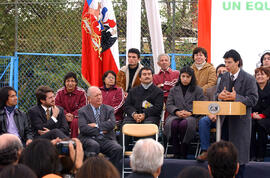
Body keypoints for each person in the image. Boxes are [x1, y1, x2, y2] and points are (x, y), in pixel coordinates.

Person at [217, 49, 258, 178]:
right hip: (224, 120)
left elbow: (253, 99)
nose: (227, 65)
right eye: (225, 62)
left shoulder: (249, 78)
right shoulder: (223, 77)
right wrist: (220, 95)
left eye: (229, 62)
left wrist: (237, 97)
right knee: (223, 155)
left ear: (237, 62)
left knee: (238, 157)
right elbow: (216, 94)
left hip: (240, 122)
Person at [164, 66, 205, 159]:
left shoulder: (198, 90)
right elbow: (169, 104)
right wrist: (177, 111)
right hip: (175, 115)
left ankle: (183, 151)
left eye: (188, 77)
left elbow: (201, 105)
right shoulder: (174, 89)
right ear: (180, 77)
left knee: (184, 124)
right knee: (172, 124)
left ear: (192, 78)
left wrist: (190, 112)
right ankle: (175, 151)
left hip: (192, 116)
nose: (185, 79)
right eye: (183, 76)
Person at [78, 86, 122, 169]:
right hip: (89, 138)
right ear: (89, 99)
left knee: (117, 149)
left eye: (100, 95)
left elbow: (112, 124)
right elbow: (83, 128)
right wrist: (102, 130)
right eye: (96, 96)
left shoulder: (109, 109)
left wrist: (96, 125)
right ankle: (92, 173)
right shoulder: (82, 111)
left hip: (106, 139)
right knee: (94, 145)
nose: (99, 97)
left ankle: (112, 174)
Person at [197, 64, 227, 161]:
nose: (221, 74)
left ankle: (224, 151)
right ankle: (205, 150)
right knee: (203, 121)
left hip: (226, 117)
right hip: (212, 117)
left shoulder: (232, 89)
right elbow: (205, 105)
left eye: (224, 72)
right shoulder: (209, 91)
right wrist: (210, 114)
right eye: (219, 72)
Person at [55, 72, 87, 138]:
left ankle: (74, 141)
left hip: (76, 116)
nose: (70, 83)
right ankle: (61, 141)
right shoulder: (59, 92)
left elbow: (83, 106)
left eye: (72, 81)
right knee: (58, 121)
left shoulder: (81, 92)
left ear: (76, 83)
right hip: (63, 116)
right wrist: (65, 114)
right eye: (68, 81)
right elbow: (57, 106)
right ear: (65, 83)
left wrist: (73, 115)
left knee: (75, 122)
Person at [250, 67, 270, 162]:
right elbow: (249, 102)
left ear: (268, 76)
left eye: (262, 74)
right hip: (253, 115)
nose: (259, 76)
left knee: (262, 125)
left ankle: (261, 155)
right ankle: (252, 155)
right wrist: (252, 115)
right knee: (251, 125)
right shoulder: (252, 88)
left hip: (267, 117)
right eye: (257, 74)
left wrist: (262, 115)